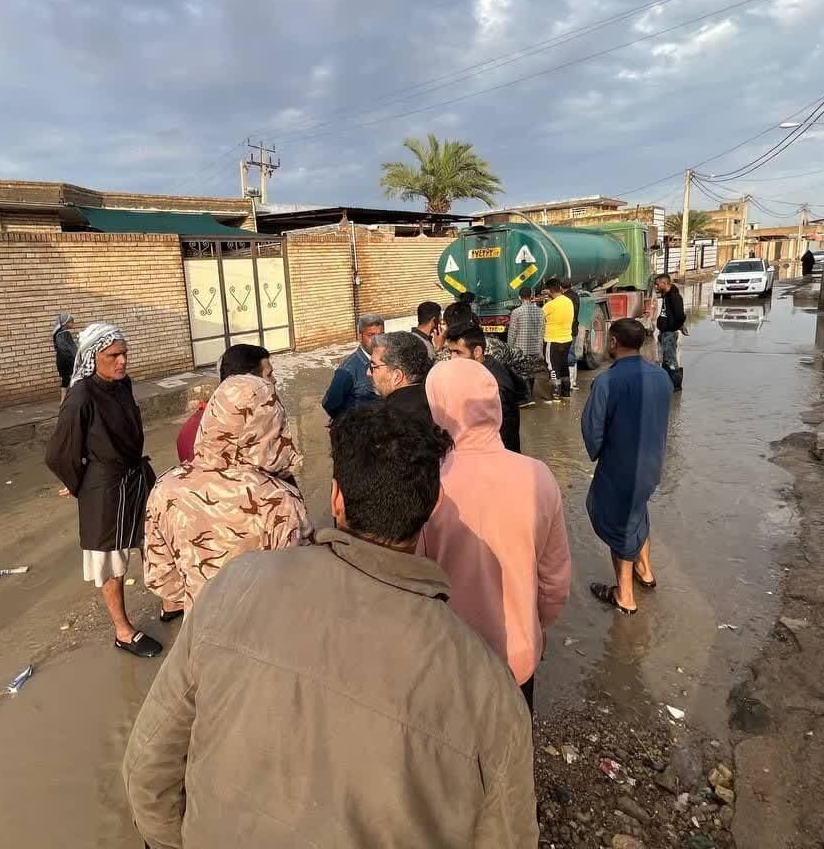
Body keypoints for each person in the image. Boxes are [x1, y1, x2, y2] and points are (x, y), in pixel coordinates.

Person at [123, 403, 540, 848]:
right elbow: (508, 835)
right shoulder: (487, 685)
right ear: (434, 504)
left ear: (336, 498)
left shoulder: (233, 586)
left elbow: (147, 769)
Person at [418, 359, 570, 713]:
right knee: (515, 738)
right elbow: (555, 583)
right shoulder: (537, 476)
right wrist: (536, 626)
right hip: (518, 653)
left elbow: (416, 579)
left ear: (438, 409)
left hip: (451, 658)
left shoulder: (428, 483)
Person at [145, 374, 310, 618]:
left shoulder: (166, 488)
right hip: (262, 629)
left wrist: (198, 592)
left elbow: (161, 579)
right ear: (269, 425)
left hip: (200, 627)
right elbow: (297, 586)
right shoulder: (279, 500)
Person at [46, 323, 162, 658]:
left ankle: (171, 602)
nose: (122, 361)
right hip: (104, 487)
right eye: (113, 355)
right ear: (92, 357)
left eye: (125, 354)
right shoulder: (80, 396)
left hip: (136, 476)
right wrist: (78, 483)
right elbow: (59, 453)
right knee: (111, 561)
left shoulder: (123, 384)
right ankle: (123, 631)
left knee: (156, 538)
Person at [581, 319, 673, 615]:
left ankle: (624, 595)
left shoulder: (607, 381)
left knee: (615, 520)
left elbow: (593, 431)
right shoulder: (661, 377)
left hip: (620, 467)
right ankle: (644, 571)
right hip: (652, 465)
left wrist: (599, 453)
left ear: (613, 342)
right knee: (637, 512)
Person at [176, 344, 273, 464]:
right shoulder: (256, 429)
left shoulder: (192, 425)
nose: (274, 380)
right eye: (269, 375)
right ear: (247, 382)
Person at [446, 324, 530, 453]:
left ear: (477, 352)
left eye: (458, 352)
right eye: (450, 352)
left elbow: (500, 434)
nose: (452, 358)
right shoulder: (478, 371)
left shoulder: (493, 386)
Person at [321, 314, 384, 419]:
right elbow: (330, 404)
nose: (377, 341)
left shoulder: (389, 360)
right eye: (371, 335)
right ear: (360, 336)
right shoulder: (347, 370)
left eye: (381, 335)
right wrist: (349, 422)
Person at [370, 331, 434, 425]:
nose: (368, 373)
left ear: (397, 376)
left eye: (374, 367)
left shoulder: (386, 421)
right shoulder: (437, 404)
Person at [542, 277, 575, 399]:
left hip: (552, 340)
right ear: (560, 288)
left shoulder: (550, 305)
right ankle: (566, 392)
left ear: (549, 291)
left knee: (552, 367)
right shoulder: (568, 301)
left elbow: (540, 318)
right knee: (563, 365)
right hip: (567, 339)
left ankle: (555, 394)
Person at [654, 272, 686, 391]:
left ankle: (676, 385)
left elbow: (680, 316)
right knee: (665, 359)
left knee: (671, 361)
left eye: (657, 284)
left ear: (664, 283)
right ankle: (667, 382)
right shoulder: (666, 295)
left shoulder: (674, 297)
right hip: (664, 332)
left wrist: (673, 327)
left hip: (669, 333)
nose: (656, 287)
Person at [559, 278, 582, 391]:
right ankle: (573, 381)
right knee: (571, 353)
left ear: (560, 287)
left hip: (567, 330)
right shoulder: (575, 296)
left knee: (569, 355)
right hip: (573, 329)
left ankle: (570, 383)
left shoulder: (565, 299)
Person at [53, 313, 77, 403]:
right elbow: (70, 349)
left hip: (61, 360)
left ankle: (63, 400)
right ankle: (71, 399)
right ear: (65, 323)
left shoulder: (57, 334)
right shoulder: (64, 334)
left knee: (66, 379)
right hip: (68, 360)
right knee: (74, 378)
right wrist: (76, 358)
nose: (73, 324)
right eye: (71, 322)